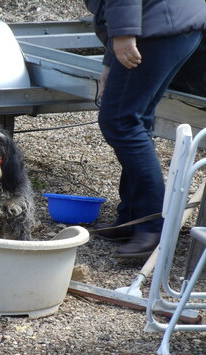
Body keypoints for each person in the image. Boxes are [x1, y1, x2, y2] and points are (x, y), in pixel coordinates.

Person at [84, 0, 206, 258]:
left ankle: (153, 224)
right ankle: (133, 217)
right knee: (135, 119)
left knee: (120, 121)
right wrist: (111, 58)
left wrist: (125, 34)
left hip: (157, 23)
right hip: (171, 21)